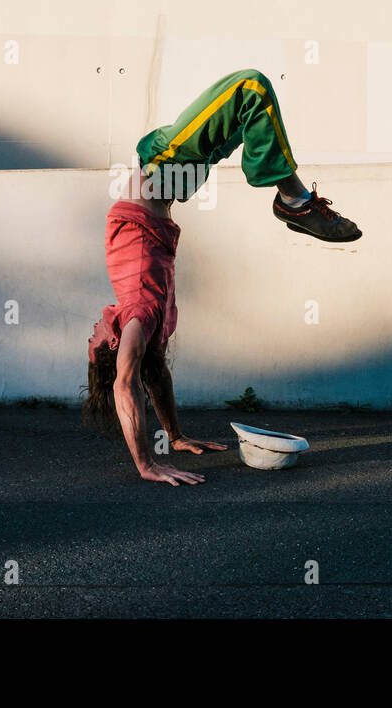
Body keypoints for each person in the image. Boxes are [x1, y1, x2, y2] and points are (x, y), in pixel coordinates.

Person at [83, 69, 362, 485]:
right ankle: (294, 201)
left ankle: (293, 199)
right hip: (163, 165)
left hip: (171, 182)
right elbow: (127, 384)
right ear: (113, 343)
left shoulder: (151, 329)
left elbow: (156, 377)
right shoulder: (139, 315)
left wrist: (175, 436)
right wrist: (146, 465)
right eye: (92, 340)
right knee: (250, 88)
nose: (92, 329)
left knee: (246, 117)